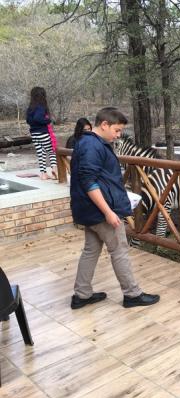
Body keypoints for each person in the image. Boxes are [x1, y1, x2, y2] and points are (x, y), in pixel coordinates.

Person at [69, 107, 160, 309]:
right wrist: (108, 212)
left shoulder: (88, 142)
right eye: (117, 130)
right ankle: (132, 294)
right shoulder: (93, 146)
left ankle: (82, 295)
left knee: (90, 251)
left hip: (87, 210)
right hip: (100, 211)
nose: (119, 135)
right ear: (104, 125)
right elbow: (89, 182)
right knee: (120, 250)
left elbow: (96, 179)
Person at [26, 87, 58, 180]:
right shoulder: (41, 107)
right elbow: (38, 118)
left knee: (41, 153)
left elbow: (28, 120)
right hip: (43, 132)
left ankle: (43, 174)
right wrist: (48, 120)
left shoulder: (30, 108)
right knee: (51, 151)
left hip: (34, 134)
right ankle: (55, 170)